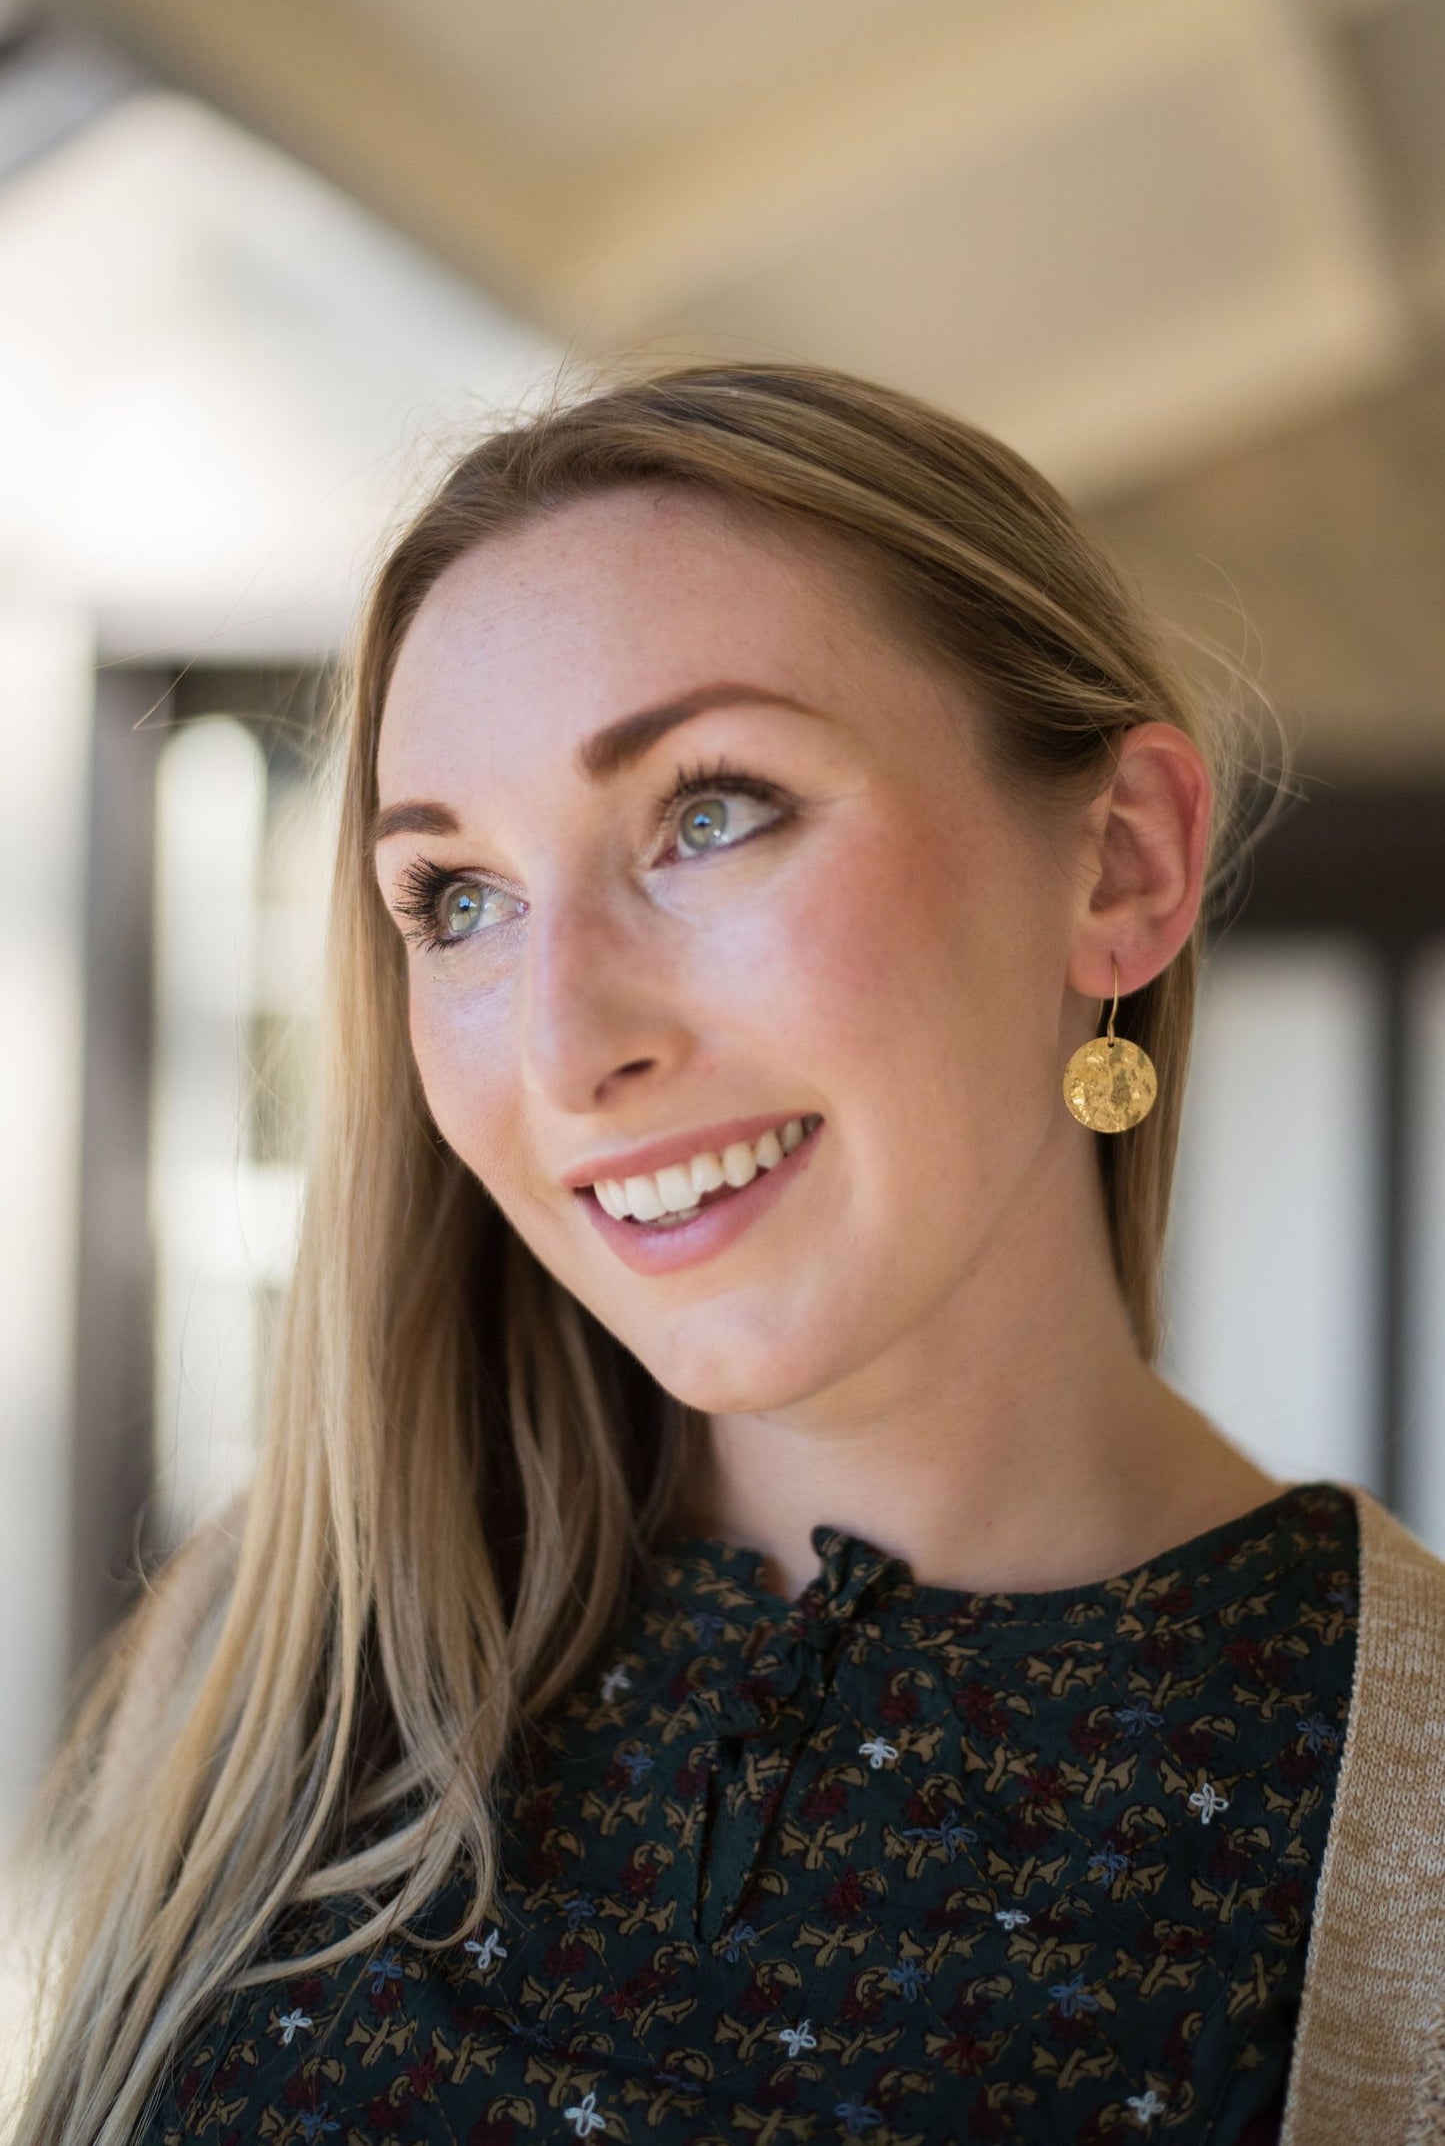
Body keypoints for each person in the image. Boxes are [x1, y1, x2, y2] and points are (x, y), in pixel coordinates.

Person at [17, 362, 1445, 2146]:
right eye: (455, 897)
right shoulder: (281, 1658)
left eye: (711, 811)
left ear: (1120, 866)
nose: (562, 1050)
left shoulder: (1407, 1833)